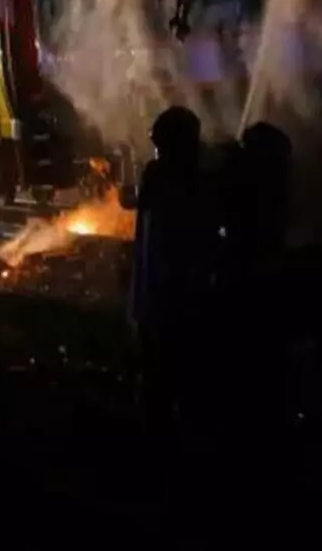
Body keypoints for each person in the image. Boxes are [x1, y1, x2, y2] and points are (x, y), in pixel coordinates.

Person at [123, 105, 213, 450]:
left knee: (157, 391)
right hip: (181, 311)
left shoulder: (157, 180)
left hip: (157, 310)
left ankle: (159, 452)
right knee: (185, 394)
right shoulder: (190, 184)